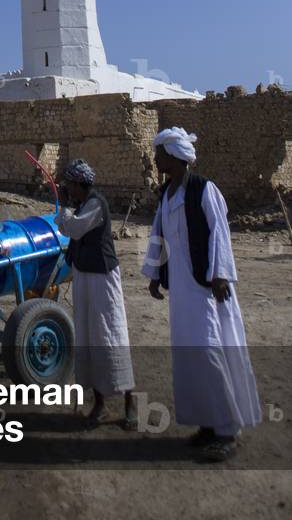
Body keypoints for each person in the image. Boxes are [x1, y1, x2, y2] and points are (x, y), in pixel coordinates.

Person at [142, 127, 261, 462]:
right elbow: (158, 236)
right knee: (190, 357)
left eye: (159, 153)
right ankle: (207, 424)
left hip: (205, 287)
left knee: (211, 353)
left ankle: (227, 431)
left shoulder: (204, 189)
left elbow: (219, 234)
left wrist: (221, 274)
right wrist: (154, 274)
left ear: (175, 156)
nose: (155, 159)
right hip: (180, 289)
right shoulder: (167, 194)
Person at [57, 158, 136, 428]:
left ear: (80, 184)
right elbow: (69, 230)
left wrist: (64, 209)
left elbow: (73, 228)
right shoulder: (81, 205)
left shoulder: (95, 204)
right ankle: (100, 404)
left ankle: (130, 402)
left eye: (69, 185)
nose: (68, 190)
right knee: (90, 336)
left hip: (102, 279)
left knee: (111, 335)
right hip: (84, 276)